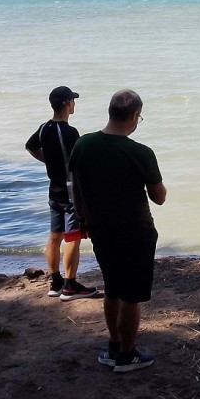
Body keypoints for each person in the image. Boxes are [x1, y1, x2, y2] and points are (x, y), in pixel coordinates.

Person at [69, 89, 167, 373]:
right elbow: (159, 197)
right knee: (131, 295)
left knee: (112, 289)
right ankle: (127, 355)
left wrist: (82, 218)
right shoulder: (140, 152)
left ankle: (113, 346)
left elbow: (76, 186)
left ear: (110, 112)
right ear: (134, 117)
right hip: (136, 232)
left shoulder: (83, 145)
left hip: (99, 229)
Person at [25, 86, 100, 301]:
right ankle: (70, 286)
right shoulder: (69, 132)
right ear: (67, 103)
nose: (74, 104)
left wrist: (48, 161)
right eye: (73, 100)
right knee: (73, 238)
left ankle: (55, 281)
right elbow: (79, 164)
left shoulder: (43, 128)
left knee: (54, 236)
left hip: (54, 191)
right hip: (70, 193)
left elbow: (30, 147)